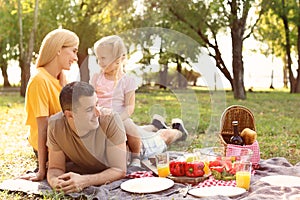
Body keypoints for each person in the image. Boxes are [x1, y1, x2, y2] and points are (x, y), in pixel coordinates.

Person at [47, 81, 127, 194]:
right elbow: (55, 168)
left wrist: (85, 181)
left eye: (97, 104)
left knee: (156, 141)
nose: (97, 112)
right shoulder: (55, 126)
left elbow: (119, 169)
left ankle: (157, 129)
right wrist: (56, 182)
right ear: (70, 115)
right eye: (89, 109)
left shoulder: (110, 119)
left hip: (138, 147)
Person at [22, 28, 79, 181]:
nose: (75, 57)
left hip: (63, 139)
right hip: (50, 146)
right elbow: (43, 127)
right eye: (73, 51)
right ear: (59, 49)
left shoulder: (61, 78)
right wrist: (41, 170)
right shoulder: (39, 80)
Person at [90, 35, 142, 166]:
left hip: (119, 116)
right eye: (98, 58)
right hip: (99, 114)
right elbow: (90, 97)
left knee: (131, 127)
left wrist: (119, 118)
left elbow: (130, 107)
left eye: (103, 58)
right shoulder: (96, 77)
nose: (99, 62)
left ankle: (136, 156)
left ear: (119, 59)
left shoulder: (128, 81)